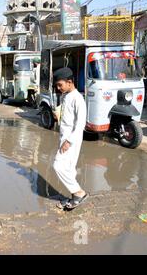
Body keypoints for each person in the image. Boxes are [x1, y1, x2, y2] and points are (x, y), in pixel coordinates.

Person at [52, 67, 89, 210]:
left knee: (58, 165)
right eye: (57, 85)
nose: (58, 88)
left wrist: (69, 141)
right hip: (64, 137)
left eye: (60, 85)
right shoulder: (66, 95)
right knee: (69, 168)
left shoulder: (78, 99)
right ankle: (74, 197)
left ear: (69, 82)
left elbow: (80, 124)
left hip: (71, 139)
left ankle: (79, 193)